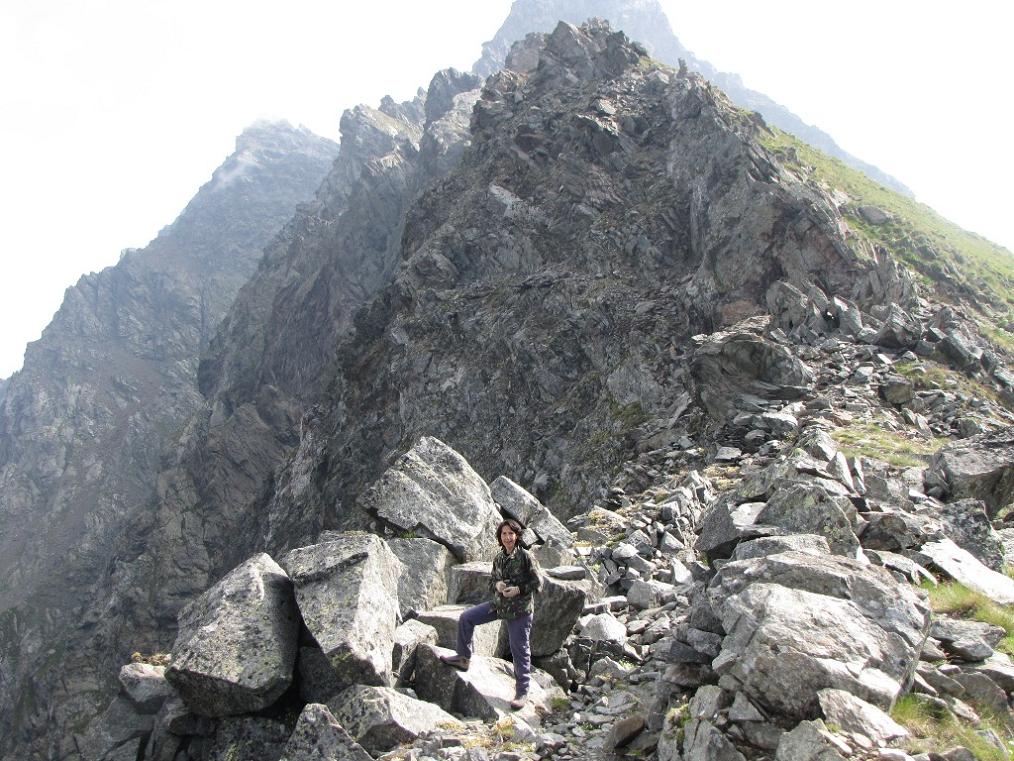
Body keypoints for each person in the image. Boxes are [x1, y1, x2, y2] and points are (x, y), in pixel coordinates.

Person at [440, 518, 542, 709]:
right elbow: (492, 581)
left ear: (517, 536)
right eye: (504, 534)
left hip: (520, 610)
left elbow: (538, 583)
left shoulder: (526, 556)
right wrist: (498, 585)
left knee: (519, 649)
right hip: (499, 605)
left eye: (511, 534)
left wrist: (518, 589)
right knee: (466, 618)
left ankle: (522, 692)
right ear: (500, 537)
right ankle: (463, 658)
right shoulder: (499, 558)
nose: (508, 537)